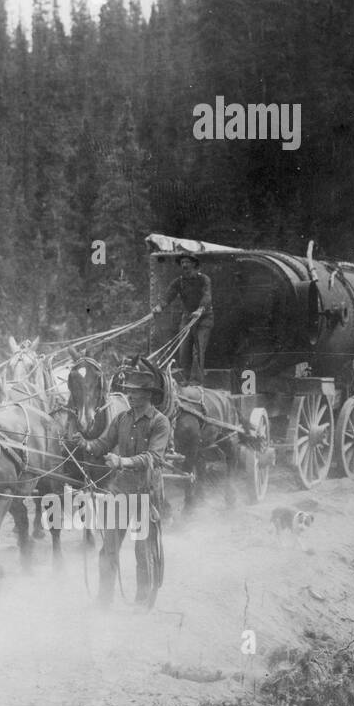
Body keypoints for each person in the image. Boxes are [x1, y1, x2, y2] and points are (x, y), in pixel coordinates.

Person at [69, 366, 171, 606]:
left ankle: (142, 602)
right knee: (108, 549)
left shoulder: (160, 422)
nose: (130, 396)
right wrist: (84, 443)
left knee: (143, 551)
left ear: (148, 395)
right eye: (128, 391)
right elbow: (103, 444)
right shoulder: (121, 419)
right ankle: (104, 601)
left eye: (135, 392)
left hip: (147, 492)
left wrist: (122, 461)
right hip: (120, 491)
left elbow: (153, 458)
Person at [152, 253, 213, 386]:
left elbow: (207, 296)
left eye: (187, 262)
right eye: (182, 263)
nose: (184, 265)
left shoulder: (204, 279)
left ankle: (196, 382)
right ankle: (186, 379)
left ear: (194, 265)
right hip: (188, 317)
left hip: (204, 318)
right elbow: (169, 295)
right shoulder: (179, 281)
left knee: (198, 349)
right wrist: (160, 307)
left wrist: (200, 309)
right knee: (183, 349)